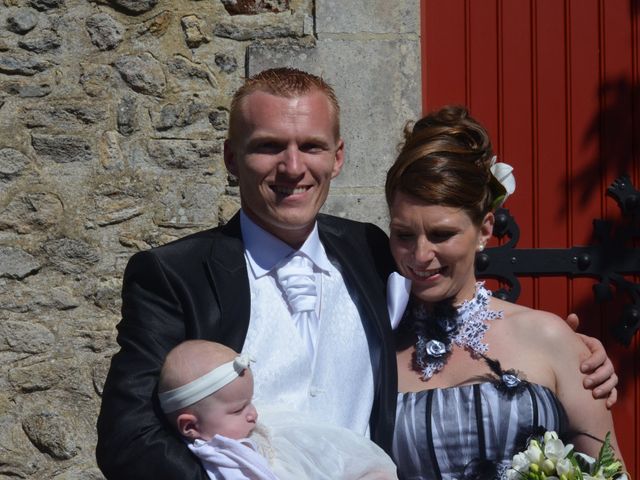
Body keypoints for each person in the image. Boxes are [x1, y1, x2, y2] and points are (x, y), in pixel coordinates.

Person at [96, 68, 616, 480]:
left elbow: (460, 295)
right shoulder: (172, 275)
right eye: (269, 146)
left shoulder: (373, 252)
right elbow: (128, 438)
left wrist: (573, 352)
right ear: (232, 157)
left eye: (312, 146)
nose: (293, 167)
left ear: (338, 157)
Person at [384, 105, 623, 479]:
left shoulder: (549, 337)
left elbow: (611, 472)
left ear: (485, 229)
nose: (420, 255)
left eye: (442, 235)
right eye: (403, 235)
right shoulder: (374, 348)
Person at [158, 340, 399, 480]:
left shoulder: (269, 428)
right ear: (190, 426)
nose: (252, 413)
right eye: (238, 410)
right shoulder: (220, 458)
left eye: (250, 402)